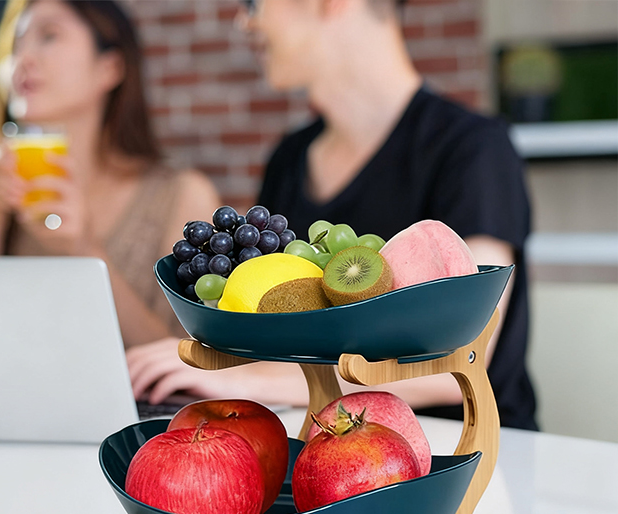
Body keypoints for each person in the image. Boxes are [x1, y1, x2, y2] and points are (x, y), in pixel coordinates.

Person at [128, 0, 537, 431]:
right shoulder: (289, 159)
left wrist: (249, 379)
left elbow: (462, 355)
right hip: (324, 438)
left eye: (254, 3)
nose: (243, 20)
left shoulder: (473, 149)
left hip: (459, 449)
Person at [0, 0, 220, 350]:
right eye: (16, 44)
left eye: (49, 37)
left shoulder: (182, 195)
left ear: (110, 68)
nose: (22, 60)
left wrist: (84, 251)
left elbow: (194, 361)